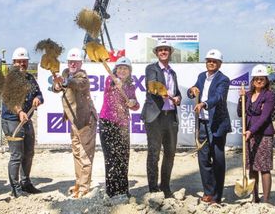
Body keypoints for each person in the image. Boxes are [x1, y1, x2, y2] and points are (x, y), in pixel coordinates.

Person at [187, 49, 231, 204]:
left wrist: (204, 104)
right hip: (202, 123)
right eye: (208, 60)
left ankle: (217, 196)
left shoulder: (223, 79)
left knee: (218, 160)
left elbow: (218, 97)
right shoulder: (201, 76)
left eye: (214, 61)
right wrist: (192, 91)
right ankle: (208, 192)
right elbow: (192, 90)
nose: (211, 63)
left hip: (217, 125)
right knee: (203, 159)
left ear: (219, 63)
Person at [52, 47, 97, 198]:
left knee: (84, 154)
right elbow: (57, 88)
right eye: (70, 62)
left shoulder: (82, 77)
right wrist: (57, 84)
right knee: (77, 153)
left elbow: (76, 84)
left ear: (81, 63)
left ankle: (84, 186)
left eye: (75, 62)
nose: (72, 64)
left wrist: (64, 81)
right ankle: (79, 182)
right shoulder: (65, 73)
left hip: (85, 121)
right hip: (73, 121)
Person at [141, 40, 182, 198]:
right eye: (160, 50)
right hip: (155, 117)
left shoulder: (173, 72)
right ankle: (153, 189)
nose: (163, 52)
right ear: (156, 53)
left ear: (170, 52)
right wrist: (167, 94)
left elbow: (177, 92)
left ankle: (165, 187)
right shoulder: (151, 68)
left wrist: (177, 97)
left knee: (170, 153)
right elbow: (153, 86)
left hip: (170, 117)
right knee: (154, 154)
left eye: (166, 49)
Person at [1, 47, 43, 197]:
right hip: (12, 121)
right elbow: (10, 99)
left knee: (29, 152)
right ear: (13, 62)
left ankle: (26, 183)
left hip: (27, 119)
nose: (21, 64)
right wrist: (19, 111)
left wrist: (38, 98)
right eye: (19, 61)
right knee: (16, 155)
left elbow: (39, 93)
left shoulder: (30, 78)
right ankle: (15, 188)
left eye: (24, 61)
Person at [99, 57, 140, 197]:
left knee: (123, 157)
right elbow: (111, 85)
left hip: (123, 125)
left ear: (129, 71)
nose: (122, 70)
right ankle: (111, 192)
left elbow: (136, 105)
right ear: (116, 70)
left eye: (125, 68)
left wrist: (133, 102)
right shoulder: (110, 80)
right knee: (111, 157)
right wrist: (118, 83)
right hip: (107, 123)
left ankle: (123, 190)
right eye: (120, 68)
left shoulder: (131, 86)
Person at [238, 64, 275, 203]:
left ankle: (266, 201)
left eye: (262, 79)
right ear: (253, 81)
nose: (259, 81)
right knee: (252, 167)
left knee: (264, 167)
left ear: (266, 80)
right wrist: (241, 99)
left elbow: (264, 117)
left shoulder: (269, 95)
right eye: (256, 79)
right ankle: (255, 198)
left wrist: (251, 131)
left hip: (264, 134)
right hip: (249, 134)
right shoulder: (247, 95)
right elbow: (240, 112)